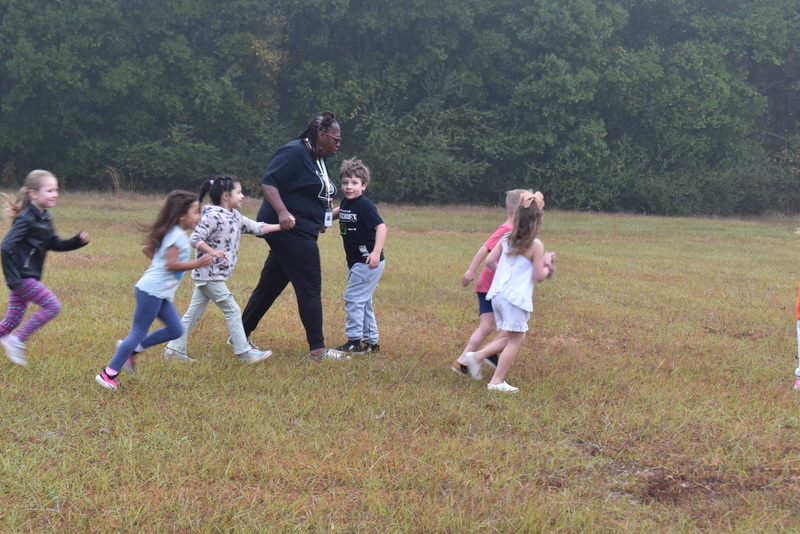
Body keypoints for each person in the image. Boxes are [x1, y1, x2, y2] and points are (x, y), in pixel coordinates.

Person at [241, 111, 346, 360]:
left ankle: (239, 334)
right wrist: (282, 211)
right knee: (310, 285)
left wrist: (323, 218)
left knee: (270, 286)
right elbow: (269, 182)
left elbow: (316, 193)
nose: (338, 144)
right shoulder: (294, 152)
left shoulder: (317, 156)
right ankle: (318, 350)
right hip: (289, 231)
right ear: (321, 135)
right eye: (335, 139)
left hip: (303, 230)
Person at [95, 191, 213, 390]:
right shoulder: (178, 237)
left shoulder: (171, 232)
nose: (198, 216)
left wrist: (158, 265)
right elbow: (170, 264)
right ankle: (108, 374)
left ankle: (133, 351)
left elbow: (147, 249)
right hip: (151, 291)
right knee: (138, 332)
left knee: (176, 329)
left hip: (160, 293)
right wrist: (197, 263)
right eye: (195, 212)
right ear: (181, 215)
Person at [163, 176, 282, 364]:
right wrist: (212, 251)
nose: (243, 196)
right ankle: (244, 352)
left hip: (212, 276)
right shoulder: (212, 216)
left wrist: (282, 226)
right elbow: (195, 239)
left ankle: (173, 350)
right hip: (209, 275)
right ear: (226, 196)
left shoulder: (235, 216)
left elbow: (257, 227)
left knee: (193, 314)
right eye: (239, 192)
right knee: (232, 309)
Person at [462, 191, 556, 392]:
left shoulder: (506, 238)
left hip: (497, 296)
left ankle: (476, 357)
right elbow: (539, 275)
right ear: (537, 222)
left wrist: (505, 274)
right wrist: (547, 263)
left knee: (515, 335)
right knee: (515, 341)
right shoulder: (536, 245)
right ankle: (496, 382)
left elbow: (489, 262)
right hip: (514, 299)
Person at [0, 170, 89, 365]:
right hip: (21, 278)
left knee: (12, 320)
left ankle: (12, 337)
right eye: (49, 190)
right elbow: (6, 246)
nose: (55, 194)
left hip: (24, 277)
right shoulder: (26, 219)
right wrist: (14, 278)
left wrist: (76, 242)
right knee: (52, 306)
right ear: (33, 193)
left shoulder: (44, 217)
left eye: (55, 190)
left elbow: (53, 243)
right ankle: (17, 340)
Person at [451, 189, 527, 376]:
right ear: (520, 209)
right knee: (506, 328)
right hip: (491, 285)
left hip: (495, 285)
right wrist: (471, 270)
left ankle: (468, 360)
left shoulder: (514, 229)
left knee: (491, 327)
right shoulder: (507, 229)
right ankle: (476, 357)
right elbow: (485, 248)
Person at [330, 158, 386, 354]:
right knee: (364, 300)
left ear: (364, 185)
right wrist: (323, 220)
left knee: (353, 298)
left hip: (367, 261)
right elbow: (338, 212)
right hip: (355, 262)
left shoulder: (364, 205)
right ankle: (372, 342)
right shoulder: (347, 202)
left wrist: (376, 252)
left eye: (354, 183)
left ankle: (354, 342)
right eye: (345, 182)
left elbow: (381, 227)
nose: (349, 187)